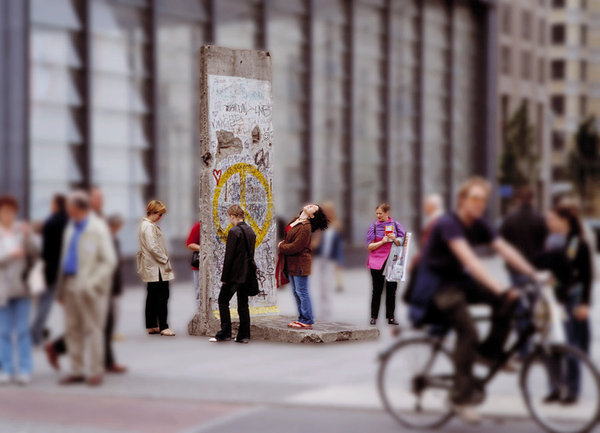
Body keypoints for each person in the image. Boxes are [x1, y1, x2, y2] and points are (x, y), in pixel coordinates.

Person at [408, 177, 540, 423]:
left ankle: (489, 354)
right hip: (436, 286)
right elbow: (469, 260)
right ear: (462, 200)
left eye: (483, 200)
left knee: (509, 300)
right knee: (468, 332)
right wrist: (496, 286)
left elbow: (504, 249)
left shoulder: (479, 223)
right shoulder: (448, 223)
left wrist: (533, 273)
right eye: (475, 198)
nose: (479, 204)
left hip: (458, 282)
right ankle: (459, 397)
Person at [56, 190, 117, 387]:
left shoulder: (97, 228)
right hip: (70, 283)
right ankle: (76, 370)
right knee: (72, 328)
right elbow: (65, 258)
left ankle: (95, 371)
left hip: (91, 288)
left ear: (77, 208)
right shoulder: (70, 228)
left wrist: (92, 283)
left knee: (92, 329)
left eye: (69, 207)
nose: (67, 210)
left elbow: (108, 261)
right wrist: (60, 289)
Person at [543, 205, 592, 405]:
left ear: (564, 221)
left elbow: (586, 276)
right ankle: (555, 387)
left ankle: (573, 390)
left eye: (552, 218)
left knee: (572, 345)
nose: (548, 222)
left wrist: (584, 303)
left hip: (572, 300)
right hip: (553, 301)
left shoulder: (578, 244)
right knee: (551, 346)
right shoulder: (550, 241)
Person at [0, 195, 38, 385]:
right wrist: (9, 255)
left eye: (11, 212)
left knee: (22, 331)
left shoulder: (20, 231)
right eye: (4, 211)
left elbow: (36, 253)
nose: (8, 216)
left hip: (22, 288)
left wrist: (28, 236)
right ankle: (6, 368)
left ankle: (25, 369)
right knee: (4, 331)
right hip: (2, 291)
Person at [210, 205, 256, 343]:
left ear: (232, 216)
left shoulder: (234, 232)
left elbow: (229, 257)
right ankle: (244, 335)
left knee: (223, 301)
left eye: (229, 217)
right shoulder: (251, 231)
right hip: (247, 274)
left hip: (234, 274)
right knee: (243, 304)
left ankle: (225, 333)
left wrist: (225, 277)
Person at [278, 204, 329, 330]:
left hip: (300, 262)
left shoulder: (306, 227)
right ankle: (301, 318)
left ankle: (307, 320)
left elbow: (296, 246)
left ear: (312, 215)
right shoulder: (296, 220)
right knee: (296, 292)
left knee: (302, 291)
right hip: (291, 262)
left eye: (314, 208)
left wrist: (281, 246)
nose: (311, 205)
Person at [31, 194, 68, 346]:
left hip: (50, 269)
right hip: (64, 269)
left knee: (44, 302)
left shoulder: (51, 222)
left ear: (57, 204)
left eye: (52, 203)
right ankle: (37, 332)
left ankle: (35, 333)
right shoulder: (68, 222)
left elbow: (45, 250)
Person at [138, 200, 175, 337]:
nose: (161, 217)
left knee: (152, 295)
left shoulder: (146, 225)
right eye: (160, 214)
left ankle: (152, 324)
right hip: (157, 267)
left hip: (152, 266)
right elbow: (153, 247)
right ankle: (164, 326)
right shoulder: (149, 227)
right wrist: (164, 259)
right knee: (162, 296)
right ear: (152, 213)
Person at [366, 203, 405, 326]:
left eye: (380, 213)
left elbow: (403, 243)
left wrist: (394, 239)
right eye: (376, 213)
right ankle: (374, 317)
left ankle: (391, 317)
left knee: (391, 289)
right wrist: (382, 241)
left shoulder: (396, 225)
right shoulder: (374, 227)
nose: (378, 215)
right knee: (376, 290)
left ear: (387, 213)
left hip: (392, 262)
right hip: (377, 261)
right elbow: (369, 246)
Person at [500, 186, 548, 285]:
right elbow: (544, 242)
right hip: (535, 264)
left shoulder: (509, 218)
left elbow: (502, 241)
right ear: (532, 200)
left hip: (514, 266)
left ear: (517, 200)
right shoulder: (540, 219)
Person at [311, 201, 344, 319]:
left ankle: (328, 309)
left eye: (329, 211)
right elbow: (312, 241)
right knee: (317, 284)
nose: (327, 213)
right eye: (325, 211)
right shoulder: (319, 224)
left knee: (327, 284)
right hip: (318, 258)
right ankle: (318, 310)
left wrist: (340, 261)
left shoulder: (336, 226)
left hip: (329, 259)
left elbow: (338, 246)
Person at [105, 214, 127, 374]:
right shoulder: (105, 239)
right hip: (106, 288)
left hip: (114, 287)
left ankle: (108, 361)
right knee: (103, 325)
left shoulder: (114, 239)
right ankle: (108, 362)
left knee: (106, 325)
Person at [186, 221, 201, 309]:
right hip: (199, 265)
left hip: (218, 266)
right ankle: (200, 312)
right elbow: (189, 243)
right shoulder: (198, 226)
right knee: (199, 291)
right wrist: (203, 248)